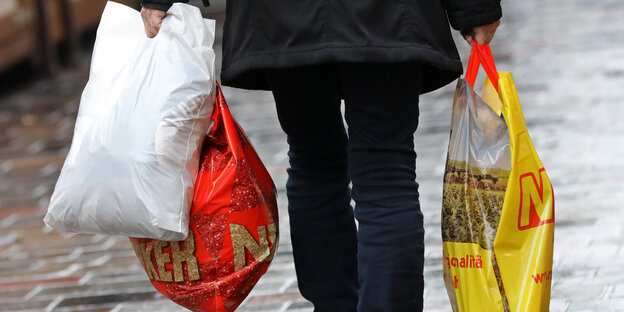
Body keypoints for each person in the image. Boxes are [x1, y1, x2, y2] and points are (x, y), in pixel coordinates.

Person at [140, 1, 501, 311]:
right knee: (386, 172)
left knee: (314, 161)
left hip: (284, 17)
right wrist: (474, 8)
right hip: (387, 16)